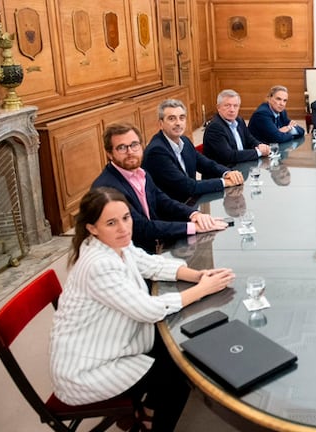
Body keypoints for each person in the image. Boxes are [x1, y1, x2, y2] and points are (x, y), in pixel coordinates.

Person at [49, 187, 235, 431]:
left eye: (126, 218)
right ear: (92, 228)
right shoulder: (98, 264)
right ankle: (154, 422)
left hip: (110, 341)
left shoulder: (113, 244)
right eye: (111, 223)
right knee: (179, 375)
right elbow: (147, 310)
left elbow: (151, 264)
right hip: (86, 370)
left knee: (179, 345)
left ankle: (148, 410)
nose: (124, 228)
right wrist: (203, 289)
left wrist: (199, 276)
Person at [92, 123, 227, 252]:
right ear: (109, 154)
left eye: (134, 145)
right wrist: (192, 227)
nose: (130, 152)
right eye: (122, 147)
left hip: (154, 245)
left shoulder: (141, 172)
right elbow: (141, 227)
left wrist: (193, 214)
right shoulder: (108, 188)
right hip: (130, 255)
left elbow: (163, 201)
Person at [142, 99, 244, 203]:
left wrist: (226, 173)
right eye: (171, 119)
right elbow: (186, 186)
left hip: (190, 202)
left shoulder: (185, 141)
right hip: (170, 211)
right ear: (161, 124)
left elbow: (206, 164)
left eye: (181, 118)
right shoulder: (157, 151)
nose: (178, 123)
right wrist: (224, 182)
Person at [203, 89, 271, 166]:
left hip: (242, 165)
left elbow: (249, 139)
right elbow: (229, 156)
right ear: (218, 107)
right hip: (224, 172)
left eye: (235, 106)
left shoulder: (239, 120)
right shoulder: (215, 127)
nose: (232, 110)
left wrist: (259, 145)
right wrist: (259, 152)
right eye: (227, 105)